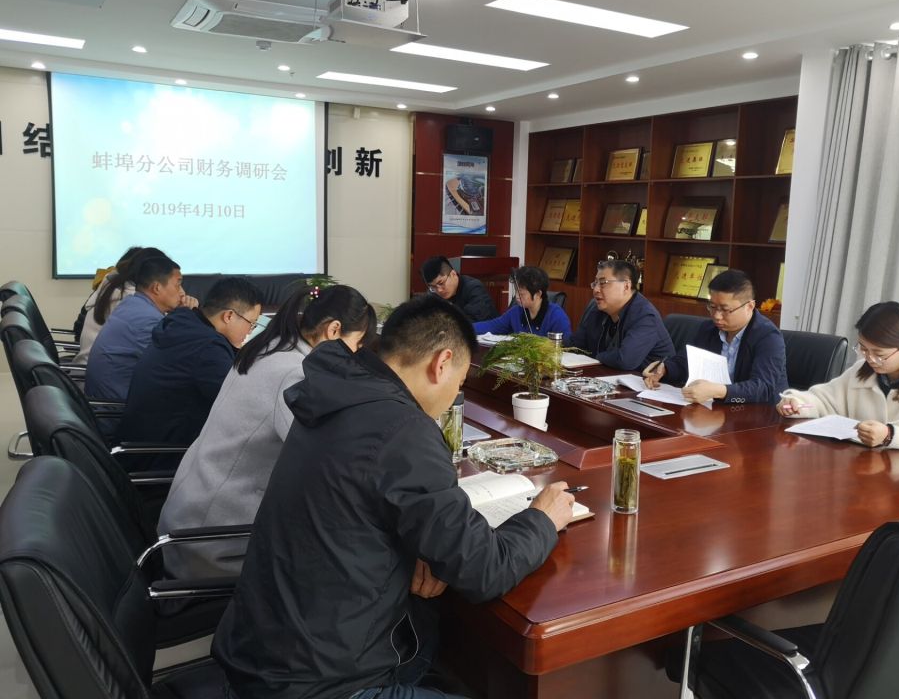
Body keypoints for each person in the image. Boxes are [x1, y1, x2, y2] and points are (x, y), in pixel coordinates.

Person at [213, 296, 576, 699]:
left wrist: (418, 543)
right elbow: (484, 569)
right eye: (459, 384)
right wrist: (542, 518)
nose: (453, 397)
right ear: (442, 363)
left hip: (258, 651)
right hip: (318, 683)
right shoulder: (403, 430)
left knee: (438, 646)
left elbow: (359, 502)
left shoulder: (339, 394)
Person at [157, 283, 376, 579]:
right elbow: (325, 465)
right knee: (351, 560)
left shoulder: (269, 347)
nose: (356, 355)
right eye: (357, 345)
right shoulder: (295, 373)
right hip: (210, 543)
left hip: (189, 517)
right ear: (334, 330)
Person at [777, 301, 899, 453]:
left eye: (879, 354)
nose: (870, 359)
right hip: (865, 472)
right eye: (864, 349)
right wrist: (797, 403)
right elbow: (824, 400)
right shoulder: (861, 372)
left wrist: (891, 435)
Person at [117, 276, 263, 447]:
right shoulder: (208, 347)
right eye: (252, 323)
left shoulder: (183, 325)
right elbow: (239, 405)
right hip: (163, 453)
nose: (250, 331)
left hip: (139, 440)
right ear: (229, 316)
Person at [642, 269, 787, 404]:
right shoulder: (708, 328)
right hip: (714, 410)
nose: (717, 316)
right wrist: (664, 369)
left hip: (758, 415)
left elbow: (763, 388)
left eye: (725, 309)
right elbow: (685, 362)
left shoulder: (768, 337)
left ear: (749, 306)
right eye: (712, 307)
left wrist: (720, 391)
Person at [85, 252, 187, 401]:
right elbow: (180, 364)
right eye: (178, 285)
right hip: (118, 407)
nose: (182, 292)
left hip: (106, 397)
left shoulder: (131, 303)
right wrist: (188, 316)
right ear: (157, 288)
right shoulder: (148, 321)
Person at [566, 259, 673, 371]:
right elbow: (575, 344)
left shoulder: (645, 317)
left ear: (626, 286)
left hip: (644, 380)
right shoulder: (597, 308)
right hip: (608, 375)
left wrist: (596, 357)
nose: (596, 290)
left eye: (603, 283)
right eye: (595, 283)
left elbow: (625, 360)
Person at [472, 265, 572, 337]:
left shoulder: (556, 316)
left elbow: (566, 347)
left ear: (538, 294)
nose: (517, 297)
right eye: (516, 291)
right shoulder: (516, 311)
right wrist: (465, 328)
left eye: (522, 294)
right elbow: (492, 326)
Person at [421, 255, 498, 322]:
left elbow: (470, 322)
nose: (439, 290)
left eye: (441, 283)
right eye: (433, 287)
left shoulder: (474, 288)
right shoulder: (433, 293)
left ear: (453, 274)